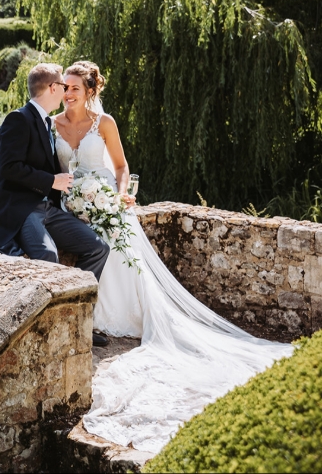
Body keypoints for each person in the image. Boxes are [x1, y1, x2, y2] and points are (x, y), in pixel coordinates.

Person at [53, 60, 292, 454]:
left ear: (90, 90)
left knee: (120, 250)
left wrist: (119, 195)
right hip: (68, 209)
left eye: (75, 87)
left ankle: (115, 315)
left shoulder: (105, 123)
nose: (68, 93)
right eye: (65, 87)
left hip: (106, 205)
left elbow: (121, 167)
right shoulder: (54, 125)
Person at [0, 62, 111, 347]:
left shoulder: (46, 122)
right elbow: (8, 168)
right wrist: (51, 181)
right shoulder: (18, 119)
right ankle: (53, 334)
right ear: (53, 88)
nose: (66, 92)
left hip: (49, 209)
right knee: (48, 257)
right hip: (23, 209)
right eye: (63, 87)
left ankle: (80, 322)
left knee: (97, 248)